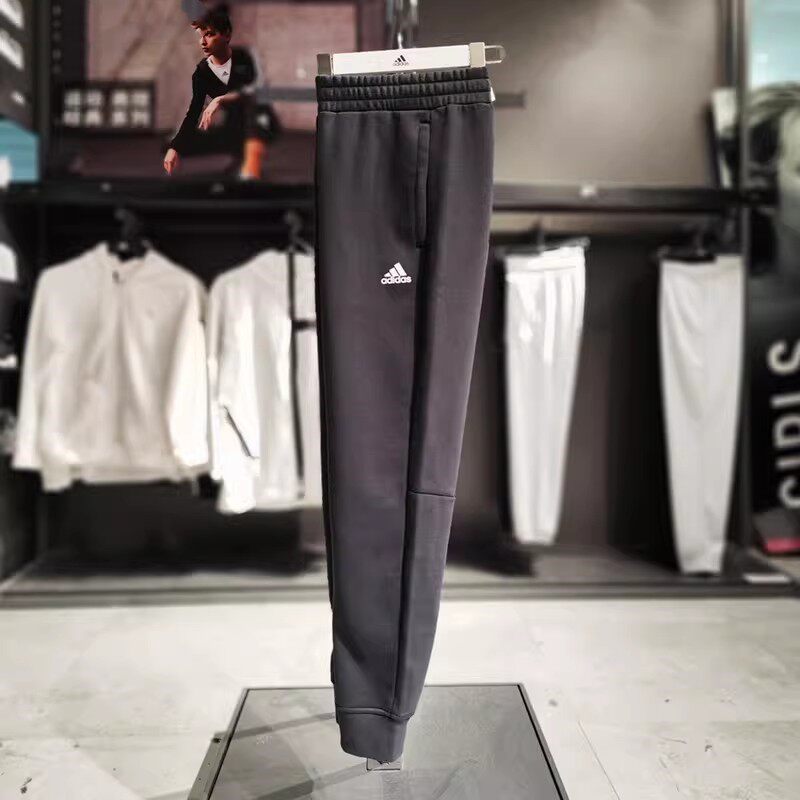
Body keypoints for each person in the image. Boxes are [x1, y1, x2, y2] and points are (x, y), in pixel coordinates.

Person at [164, 6, 270, 178]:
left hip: (254, 117)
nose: (203, 42)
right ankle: (238, 162)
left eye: (210, 34)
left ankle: (249, 165)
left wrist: (222, 99)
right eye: (202, 35)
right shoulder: (203, 71)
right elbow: (194, 110)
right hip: (230, 123)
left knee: (251, 114)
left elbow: (256, 87)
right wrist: (175, 146)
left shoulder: (244, 56)